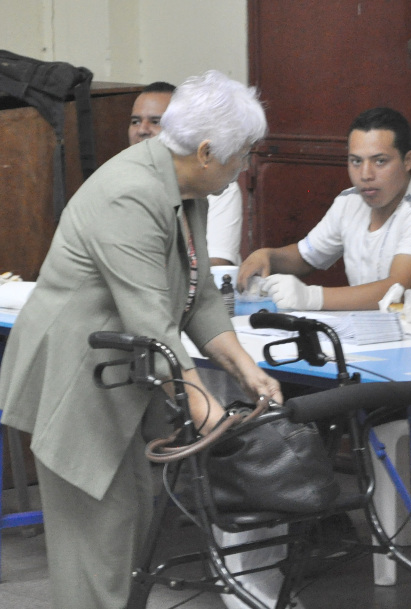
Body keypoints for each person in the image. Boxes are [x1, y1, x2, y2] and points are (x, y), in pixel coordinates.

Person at [0, 70, 281, 609]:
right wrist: (205, 409)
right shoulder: (130, 193)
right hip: (73, 378)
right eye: (242, 154)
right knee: (96, 549)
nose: (245, 166)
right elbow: (151, 321)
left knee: (130, 526)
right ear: (205, 151)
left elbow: (197, 298)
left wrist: (247, 369)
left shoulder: (189, 189)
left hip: (118, 376)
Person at [237, 106, 411, 317]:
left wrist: (310, 297)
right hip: (367, 335)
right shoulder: (349, 201)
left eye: (380, 161)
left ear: (408, 160)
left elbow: (396, 290)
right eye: (355, 161)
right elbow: (306, 256)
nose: (365, 174)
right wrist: (267, 256)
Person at [129, 81, 244, 266]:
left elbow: (216, 266)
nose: (142, 130)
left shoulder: (215, 183)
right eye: (135, 121)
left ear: (182, 130)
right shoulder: (120, 184)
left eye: (156, 122)